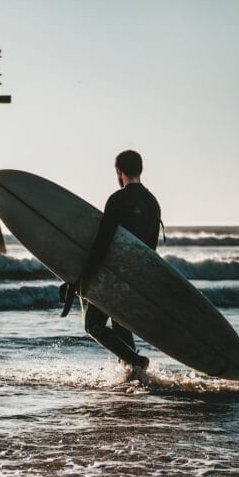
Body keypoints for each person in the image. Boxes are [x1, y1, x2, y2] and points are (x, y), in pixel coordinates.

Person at [67, 150, 162, 371]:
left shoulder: (117, 200)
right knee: (120, 324)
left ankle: (137, 362)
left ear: (119, 172)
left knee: (93, 325)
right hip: (136, 277)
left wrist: (85, 276)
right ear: (141, 169)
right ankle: (133, 372)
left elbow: (103, 242)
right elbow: (151, 250)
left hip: (112, 275)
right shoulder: (153, 203)